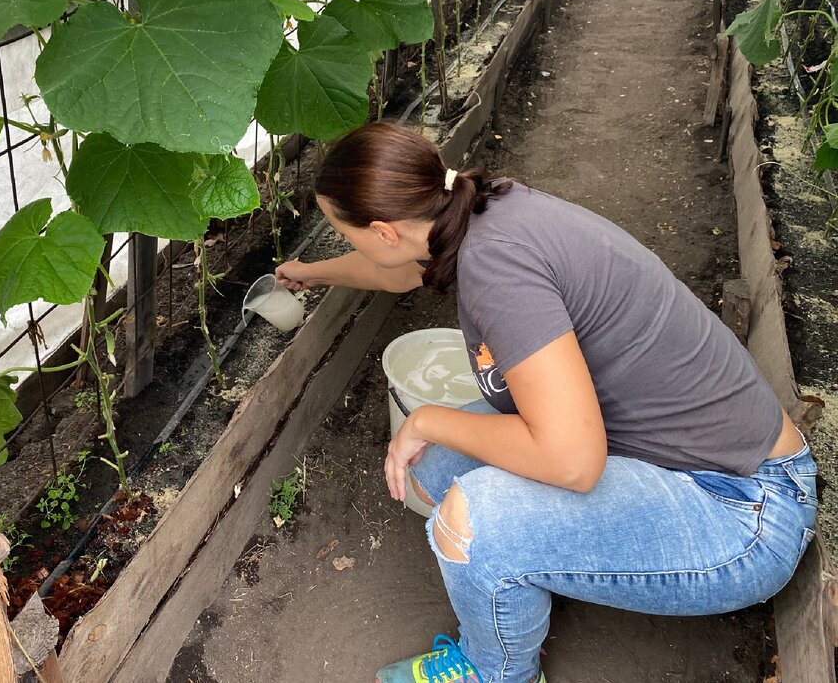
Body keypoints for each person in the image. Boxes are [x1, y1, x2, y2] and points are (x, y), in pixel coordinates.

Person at [275, 121, 816, 683]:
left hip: (742, 512)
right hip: (687, 458)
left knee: (471, 522)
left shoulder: (497, 270)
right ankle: (538, 570)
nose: (348, 243)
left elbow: (571, 461)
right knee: (434, 474)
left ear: (385, 231)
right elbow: (399, 272)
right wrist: (309, 273)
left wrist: (430, 419)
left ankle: (498, 671)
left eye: (345, 233)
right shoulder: (474, 208)